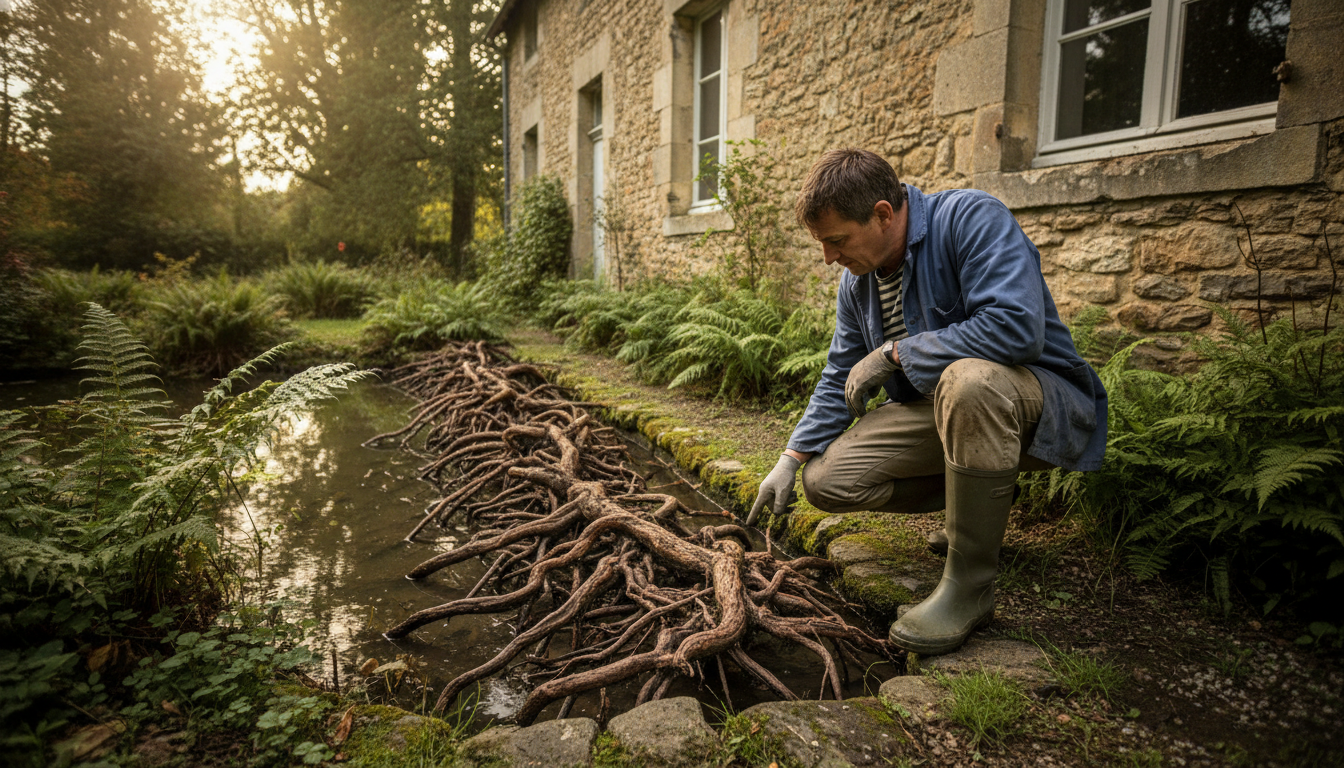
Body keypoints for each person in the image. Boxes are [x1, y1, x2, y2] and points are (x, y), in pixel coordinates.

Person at [747, 149, 1107, 655]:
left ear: (882, 214)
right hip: (941, 413)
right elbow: (838, 376)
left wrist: (896, 353)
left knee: (968, 381)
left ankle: (970, 586)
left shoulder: (971, 219)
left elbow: (1016, 327)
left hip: (1036, 399)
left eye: (836, 240)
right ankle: (975, 509)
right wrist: (790, 458)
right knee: (826, 481)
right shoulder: (857, 283)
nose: (828, 257)